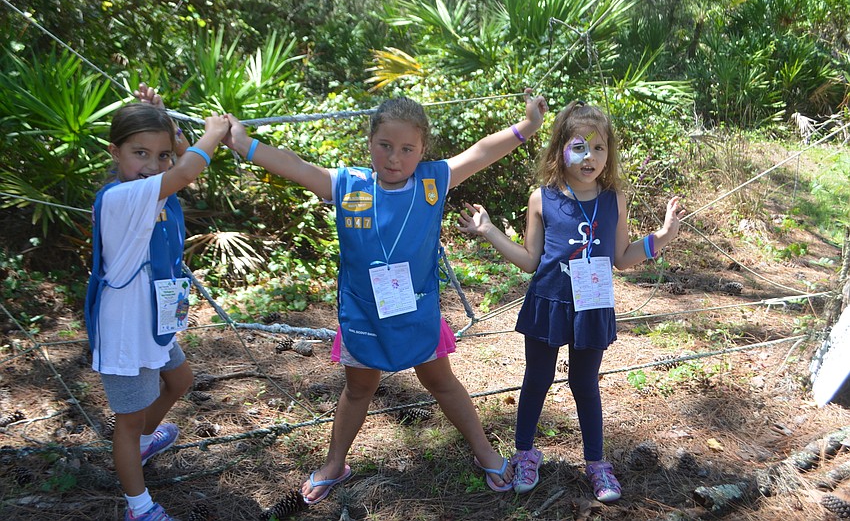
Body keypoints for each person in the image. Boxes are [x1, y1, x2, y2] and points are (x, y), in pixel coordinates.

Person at [222, 89, 548, 503]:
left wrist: (528, 126)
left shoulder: (434, 180)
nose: (395, 158)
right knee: (358, 390)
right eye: (385, 146)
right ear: (370, 143)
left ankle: (484, 451)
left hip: (416, 312)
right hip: (364, 315)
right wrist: (243, 143)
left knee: (441, 382)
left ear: (422, 149)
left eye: (407, 149)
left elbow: (482, 151)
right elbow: (295, 166)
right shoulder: (346, 184)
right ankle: (335, 463)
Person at [457, 100, 684, 501]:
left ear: (609, 153)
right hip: (549, 301)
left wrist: (661, 238)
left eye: (599, 149)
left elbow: (621, 256)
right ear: (560, 148)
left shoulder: (614, 199)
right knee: (537, 379)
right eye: (579, 146)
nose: (590, 157)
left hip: (592, 306)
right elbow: (529, 260)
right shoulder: (541, 199)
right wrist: (489, 230)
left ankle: (597, 463)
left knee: (585, 383)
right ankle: (525, 453)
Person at [84, 84, 231, 521]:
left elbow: (180, 159)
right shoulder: (120, 197)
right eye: (139, 153)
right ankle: (138, 506)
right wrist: (214, 131)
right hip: (126, 332)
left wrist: (166, 121)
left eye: (160, 155)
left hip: (156, 319)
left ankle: (145, 443)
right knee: (126, 423)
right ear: (115, 152)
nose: (151, 165)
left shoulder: (152, 188)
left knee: (180, 381)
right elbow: (186, 170)